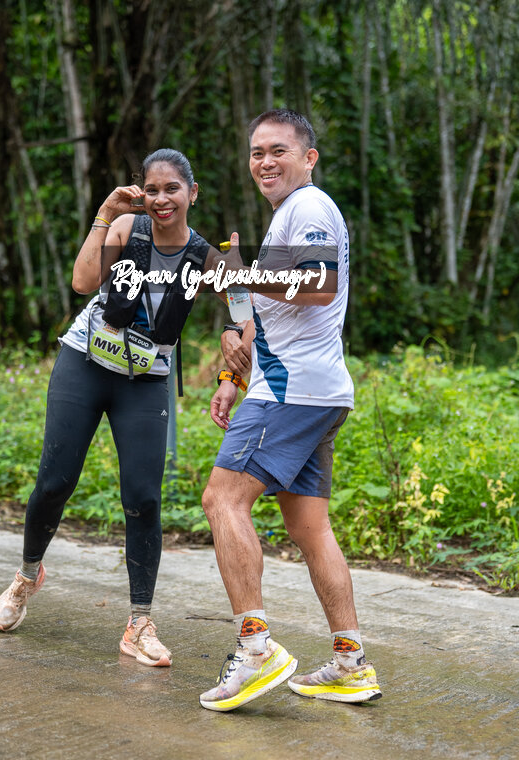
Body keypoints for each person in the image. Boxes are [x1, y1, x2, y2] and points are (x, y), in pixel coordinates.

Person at [0, 148, 212, 668]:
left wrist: (231, 354)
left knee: (143, 497)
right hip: (85, 362)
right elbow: (83, 282)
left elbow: (246, 305)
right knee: (55, 481)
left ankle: (139, 623)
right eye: (151, 189)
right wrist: (105, 215)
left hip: (145, 380)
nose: (161, 199)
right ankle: (27, 575)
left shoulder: (205, 257)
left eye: (172, 189)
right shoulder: (128, 229)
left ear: (192, 193)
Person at [199, 110, 382, 711]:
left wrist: (242, 271)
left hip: (290, 393)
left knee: (223, 500)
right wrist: (232, 375)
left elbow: (318, 284)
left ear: (309, 157)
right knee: (309, 528)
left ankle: (256, 649)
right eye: (257, 152)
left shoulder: (309, 206)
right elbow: (272, 313)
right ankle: (351, 664)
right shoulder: (288, 217)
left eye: (278, 150)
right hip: (313, 391)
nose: (265, 161)